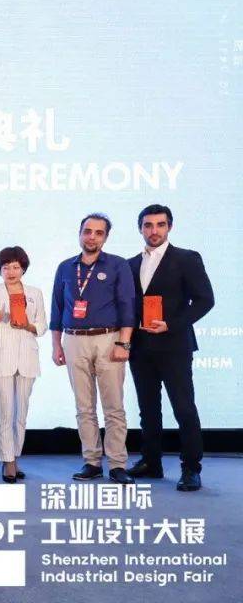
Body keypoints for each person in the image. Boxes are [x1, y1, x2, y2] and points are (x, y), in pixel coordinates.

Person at [125, 205, 214, 492]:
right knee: (148, 410)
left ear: (169, 227)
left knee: (184, 408)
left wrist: (171, 325)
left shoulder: (187, 258)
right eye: (148, 225)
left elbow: (205, 300)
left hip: (175, 345)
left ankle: (191, 469)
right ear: (140, 228)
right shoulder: (130, 264)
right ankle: (151, 462)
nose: (154, 231)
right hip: (140, 348)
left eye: (160, 225)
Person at [50, 213, 136, 484]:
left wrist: (124, 343)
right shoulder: (66, 267)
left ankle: (118, 464)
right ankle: (92, 462)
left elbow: (127, 305)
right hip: (73, 340)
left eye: (99, 233)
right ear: (80, 233)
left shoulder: (118, 265)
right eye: (87, 231)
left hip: (109, 339)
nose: (92, 237)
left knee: (113, 406)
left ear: (106, 237)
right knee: (84, 406)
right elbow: (57, 308)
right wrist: (56, 345)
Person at [0, 246, 46, 483]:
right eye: (6, 267)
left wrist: (28, 325)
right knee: (4, 412)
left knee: (21, 413)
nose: (11, 272)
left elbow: (42, 325)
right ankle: (7, 461)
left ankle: (15, 456)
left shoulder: (35, 293)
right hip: (0, 359)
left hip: (27, 358)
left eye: (16, 267)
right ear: (0, 269)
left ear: (23, 269)